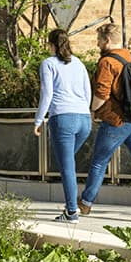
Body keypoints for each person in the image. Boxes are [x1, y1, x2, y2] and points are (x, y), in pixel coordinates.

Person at [78, 24, 131, 223]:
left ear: (107, 41)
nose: (97, 43)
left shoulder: (107, 62)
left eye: (99, 40)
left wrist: (91, 111)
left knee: (99, 162)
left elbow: (102, 94)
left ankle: (86, 203)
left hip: (117, 121)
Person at [33, 29, 92, 224]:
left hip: (63, 118)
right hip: (84, 118)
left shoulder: (48, 64)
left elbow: (47, 94)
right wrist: (85, 111)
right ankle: (72, 207)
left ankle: (72, 212)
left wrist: (38, 120)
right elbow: (87, 92)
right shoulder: (79, 63)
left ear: (51, 45)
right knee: (68, 163)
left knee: (67, 167)